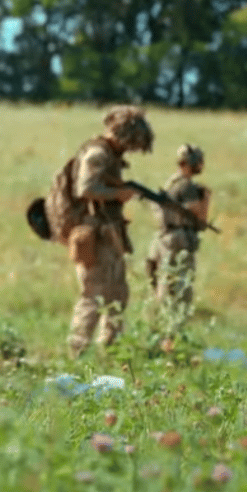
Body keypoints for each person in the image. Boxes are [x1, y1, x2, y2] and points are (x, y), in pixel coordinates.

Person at [53, 105, 154, 357]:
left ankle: (111, 348)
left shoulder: (110, 155)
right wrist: (120, 194)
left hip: (109, 233)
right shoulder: (97, 154)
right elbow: (85, 190)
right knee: (94, 294)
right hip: (94, 235)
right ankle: (77, 351)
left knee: (118, 292)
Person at [145, 144, 211, 317]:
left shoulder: (172, 183)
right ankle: (169, 332)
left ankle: (159, 322)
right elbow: (199, 215)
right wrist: (206, 199)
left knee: (164, 285)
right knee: (179, 290)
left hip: (164, 238)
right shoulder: (187, 187)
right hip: (178, 240)